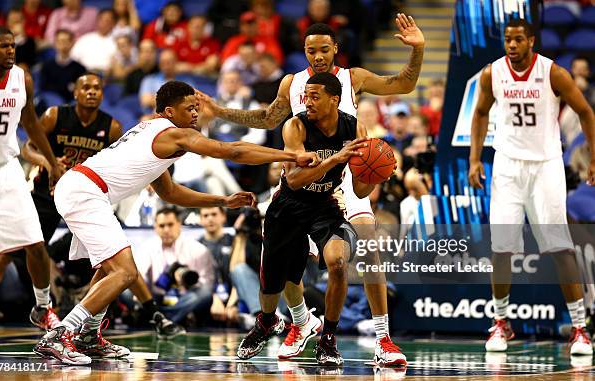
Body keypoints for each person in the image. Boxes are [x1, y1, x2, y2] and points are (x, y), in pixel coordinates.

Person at [33, 80, 319, 365]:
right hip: (86, 191)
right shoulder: (174, 135)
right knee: (125, 273)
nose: (195, 114)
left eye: (197, 108)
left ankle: (89, 337)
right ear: (170, 112)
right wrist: (292, 155)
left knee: (109, 269)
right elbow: (232, 151)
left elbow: (170, 192)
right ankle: (61, 333)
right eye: (189, 109)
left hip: (85, 189)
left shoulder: (152, 134)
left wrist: (221, 201)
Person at [197, 18, 423, 366]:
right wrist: (220, 111)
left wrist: (417, 49)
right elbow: (268, 118)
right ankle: (301, 322)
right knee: (285, 256)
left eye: (323, 49)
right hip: (303, 173)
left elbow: (403, 84)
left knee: (368, 250)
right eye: (310, 50)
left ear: (335, 48)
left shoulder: (353, 78)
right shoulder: (292, 83)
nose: (317, 56)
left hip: (344, 172)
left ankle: (383, 339)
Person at [23, 73, 184, 339]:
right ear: (75, 92)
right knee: (29, 250)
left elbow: (124, 161)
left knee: (118, 256)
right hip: (47, 193)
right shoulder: (54, 116)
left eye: (97, 88)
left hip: (88, 196)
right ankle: (48, 307)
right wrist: (50, 163)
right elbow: (28, 148)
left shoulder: (111, 127)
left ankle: (142, 314)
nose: (91, 92)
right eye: (85, 87)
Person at [468, 19, 595, 356]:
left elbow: (585, 112)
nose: (512, 45)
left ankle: (581, 329)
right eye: (508, 40)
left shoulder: (553, 73)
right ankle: (500, 322)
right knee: (502, 247)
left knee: (560, 247)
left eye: (518, 39)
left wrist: (594, 158)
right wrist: (475, 159)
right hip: (508, 166)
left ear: (531, 41)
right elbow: (480, 113)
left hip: (546, 165)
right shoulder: (492, 73)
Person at [236, 72, 372, 365]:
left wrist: (374, 172)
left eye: (314, 96)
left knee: (338, 263)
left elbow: (361, 188)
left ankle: (328, 339)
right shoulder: (295, 126)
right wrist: (335, 160)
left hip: (324, 204)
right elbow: (295, 180)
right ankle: (266, 321)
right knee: (273, 281)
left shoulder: (355, 128)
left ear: (335, 99)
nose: (306, 101)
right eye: (305, 96)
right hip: (288, 204)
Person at [0, 26, 64, 332]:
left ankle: (43, 306)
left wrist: (52, 162)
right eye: (3, 46)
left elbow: (30, 122)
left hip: (6, 168)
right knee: (1, 255)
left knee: (34, 242)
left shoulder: (22, 78)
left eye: (13, 46)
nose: (11, 51)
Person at [132, 207, 215, 326]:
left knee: (205, 293)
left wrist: (186, 282)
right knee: (128, 291)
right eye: (161, 226)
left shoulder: (198, 249)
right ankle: (170, 318)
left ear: (179, 225)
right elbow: (137, 276)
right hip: (155, 298)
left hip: (186, 297)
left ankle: (160, 319)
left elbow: (207, 283)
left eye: (170, 225)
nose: (166, 230)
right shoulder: (146, 248)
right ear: (155, 228)